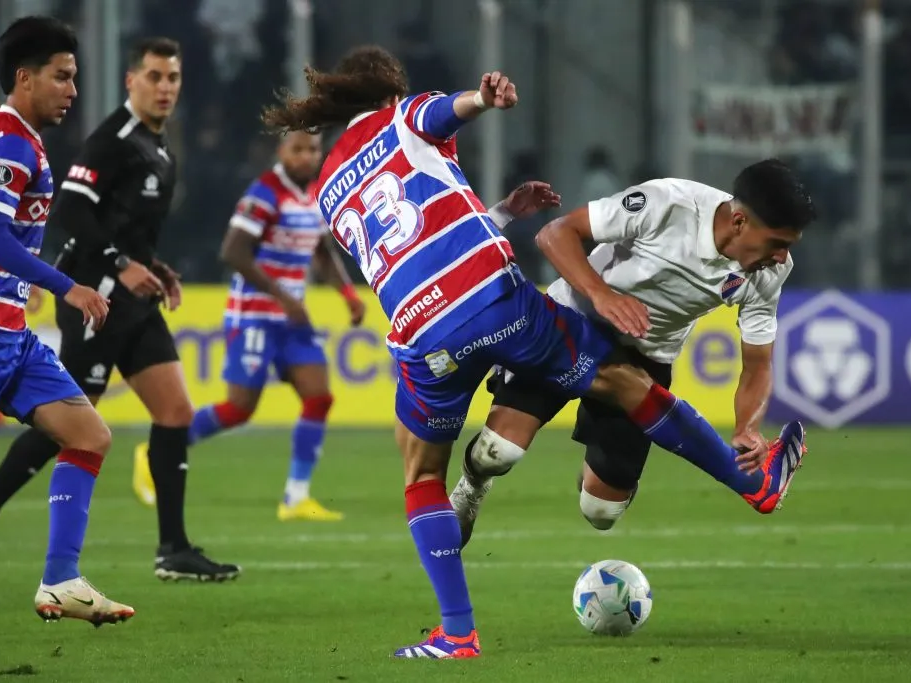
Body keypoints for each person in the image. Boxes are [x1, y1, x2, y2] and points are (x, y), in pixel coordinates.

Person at [265, 45, 806, 659]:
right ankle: (752, 485)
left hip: (420, 329)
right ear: (390, 93)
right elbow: (444, 114)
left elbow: (406, 234)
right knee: (617, 387)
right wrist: (481, 99)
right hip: (495, 299)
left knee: (422, 478)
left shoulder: (329, 191)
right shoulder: (402, 117)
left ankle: (456, 633)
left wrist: (498, 212)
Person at [0, 36, 240, 587]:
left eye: (173, 78)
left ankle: (172, 548)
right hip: (96, 295)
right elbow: (75, 211)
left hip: (133, 297)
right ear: (131, 81)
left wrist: (154, 265)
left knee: (174, 411)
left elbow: (128, 222)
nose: (165, 87)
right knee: (71, 421)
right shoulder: (112, 140)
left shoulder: (160, 144)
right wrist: (116, 264)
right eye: (154, 76)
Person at [451, 161, 815, 544]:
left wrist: (747, 427)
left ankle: (605, 465)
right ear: (739, 222)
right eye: (777, 243)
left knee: (601, 512)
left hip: (646, 356)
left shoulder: (769, 272)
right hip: (573, 322)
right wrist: (601, 294)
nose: (780, 257)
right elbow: (556, 233)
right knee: (498, 452)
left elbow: (757, 362)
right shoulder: (668, 204)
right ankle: (471, 488)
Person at [0, 16, 131, 625]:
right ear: (25, 78)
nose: (72, 90)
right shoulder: (9, 142)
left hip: (8, 333)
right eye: (62, 77)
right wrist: (67, 285)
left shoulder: (18, 138)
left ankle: (61, 581)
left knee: (89, 435)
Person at [180, 130, 365, 522]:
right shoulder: (264, 192)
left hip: (290, 318)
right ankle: (165, 447)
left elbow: (320, 248)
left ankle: (295, 498)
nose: (306, 156)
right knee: (238, 409)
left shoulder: (316, 194)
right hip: (254, 315)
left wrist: (347, 294)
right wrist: (283, 295)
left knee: (319, 397)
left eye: (313, 149)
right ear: (281, 152)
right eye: (297, 149)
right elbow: (232, 250)